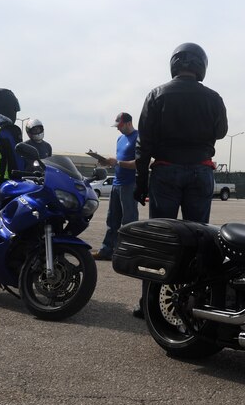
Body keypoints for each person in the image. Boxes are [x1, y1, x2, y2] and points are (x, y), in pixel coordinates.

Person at [131, 42, 228, 318]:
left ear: (174, 64)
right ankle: (197, 300)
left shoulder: (157, 94)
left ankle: (149, 304)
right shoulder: (213, 98)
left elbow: (144, 144)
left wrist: (140, 182)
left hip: (166, 172)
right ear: (201, 66)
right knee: (199, 239)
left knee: (161, 239)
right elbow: (221, 131)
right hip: (200, 171)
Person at [92, 112, 139, 260]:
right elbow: (119, 161)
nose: (118, 129)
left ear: (128, 123)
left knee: (129, 221)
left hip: (129, 185)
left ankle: (127, 254)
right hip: (117, 184)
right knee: (112, 220)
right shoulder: (120, 139)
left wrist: (117, 162)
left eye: (119, 126)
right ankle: (107, 250)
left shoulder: (139, 138)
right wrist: (107, 162)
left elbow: (139, 163)